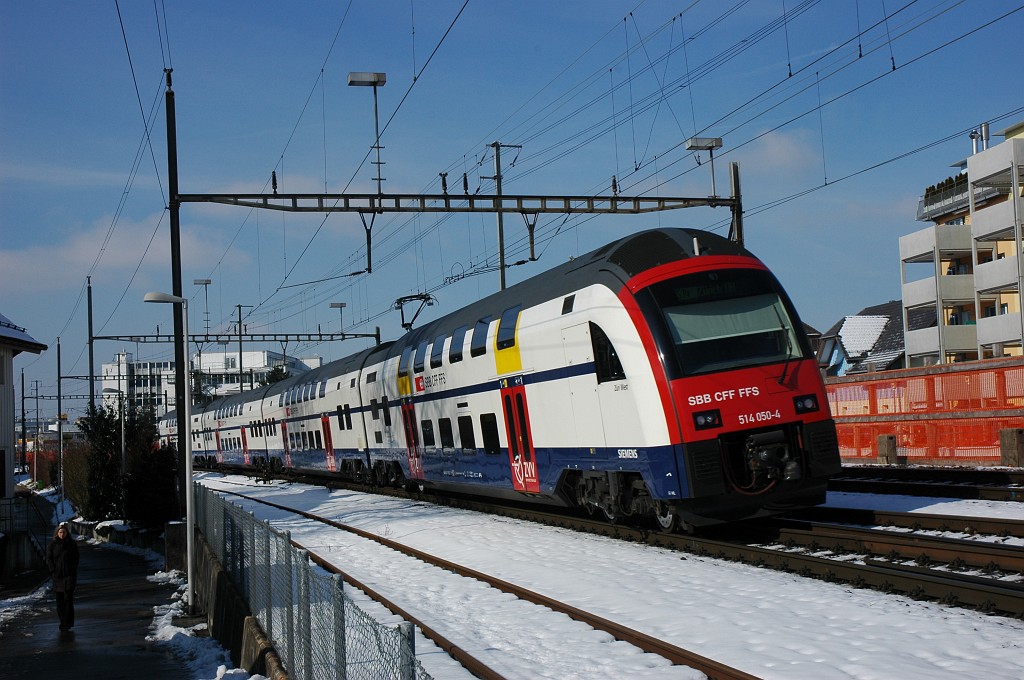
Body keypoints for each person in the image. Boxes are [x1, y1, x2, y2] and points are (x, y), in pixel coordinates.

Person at [45, 522, 80, 630]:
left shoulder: (71, 544)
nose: (62, 534)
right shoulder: (52, 544)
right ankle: (63, 621)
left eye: (64, 532)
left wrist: (72, 569)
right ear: (57, 533)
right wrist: (52, 570)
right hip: (57, 576)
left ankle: (68, 622)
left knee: (68, 600)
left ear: (67, 533)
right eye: (60, 532)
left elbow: (76, 557)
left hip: (69, 576)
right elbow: (49, 558)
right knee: (59, 601)